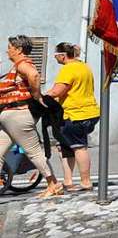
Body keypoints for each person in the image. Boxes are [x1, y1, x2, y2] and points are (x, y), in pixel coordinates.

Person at [0, 35, 60, 198]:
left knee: (33, 152)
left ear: (19, 50)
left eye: (10, 47)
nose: (8, 50)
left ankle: (53, 184)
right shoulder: (17, 65)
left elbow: (33, 75)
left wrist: (36, 95)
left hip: (18, 116)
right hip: (10, 118)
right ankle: (52, 184)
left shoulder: (23, 64)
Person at [44, 42, 99, 192]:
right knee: (66, 147)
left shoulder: (68, 69)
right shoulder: (84, 66)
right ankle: (68, 181)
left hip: (76, 114)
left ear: (62, 56)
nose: (55, 59)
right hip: (90, 112)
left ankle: (86, 182)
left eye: (56, 56)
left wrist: (41, 98)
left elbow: (58, 91)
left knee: (79, 147)